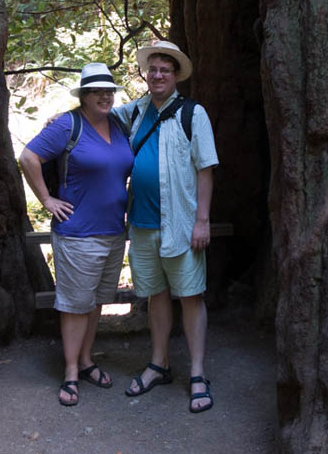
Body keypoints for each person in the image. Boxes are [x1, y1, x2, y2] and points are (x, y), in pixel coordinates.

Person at [111, 40, 219, 413]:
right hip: (141, 223)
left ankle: (198, 373)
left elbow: (205, 168)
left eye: (165, 70)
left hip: (181, 223)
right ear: (146, 74)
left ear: (175, 76)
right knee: (156, 294)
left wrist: (202, 220)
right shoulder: (135, 112)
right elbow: (99, 115)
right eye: (152, 69)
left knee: (190, 295)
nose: (157, 75)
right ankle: (159, 364)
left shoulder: (193, 113)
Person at [18, 63, 133, 407]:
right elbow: (28, 157)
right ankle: (70, 371)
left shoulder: (119, 123)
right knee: (74, 305)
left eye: (109, 90)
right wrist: (47, 199)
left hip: (114, 231)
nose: (105, 96)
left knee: (97, 301)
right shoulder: (69, 124)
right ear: (84, 95)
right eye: (97, 91)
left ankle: (86, 361)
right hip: (77, 233)